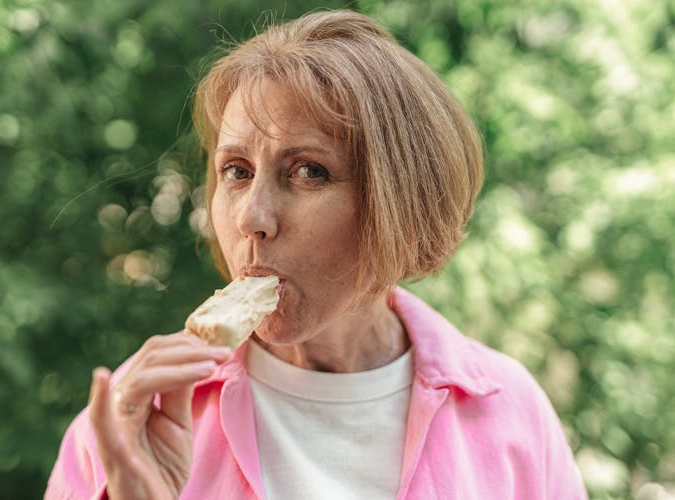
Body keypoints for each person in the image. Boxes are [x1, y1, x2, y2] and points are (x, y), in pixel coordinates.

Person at [45, 9, 587, 500]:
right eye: (236, 170)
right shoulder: (127, 418)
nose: (251, 218)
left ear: (401, 203)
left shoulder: (509, 412)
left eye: (308, 171)